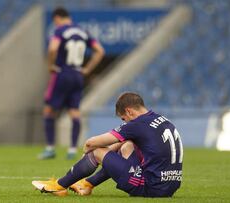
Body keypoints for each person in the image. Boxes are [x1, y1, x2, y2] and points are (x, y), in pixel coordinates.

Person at [33, 92, 183, 197]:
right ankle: (86, 185)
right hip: (171, 186)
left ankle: (59, 186)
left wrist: (88, 154)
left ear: (129, 112)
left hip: (151, 187)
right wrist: (110, 154)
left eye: (124, 119)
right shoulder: (162, 119)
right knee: (126, 144)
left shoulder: (136, 124)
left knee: (97, 151)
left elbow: (90, 143)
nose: (125, 122)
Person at [38, 7, 105, 160]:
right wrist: (87, 69)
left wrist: (50, 65)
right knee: (74, 112)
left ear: (57, 18)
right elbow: (100, 51)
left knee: (49, 111)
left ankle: (50, 149)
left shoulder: (60, 30)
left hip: (62, 73)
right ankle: (73, 149)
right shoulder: (83, 32)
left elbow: (53, 48)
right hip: (77, 75)